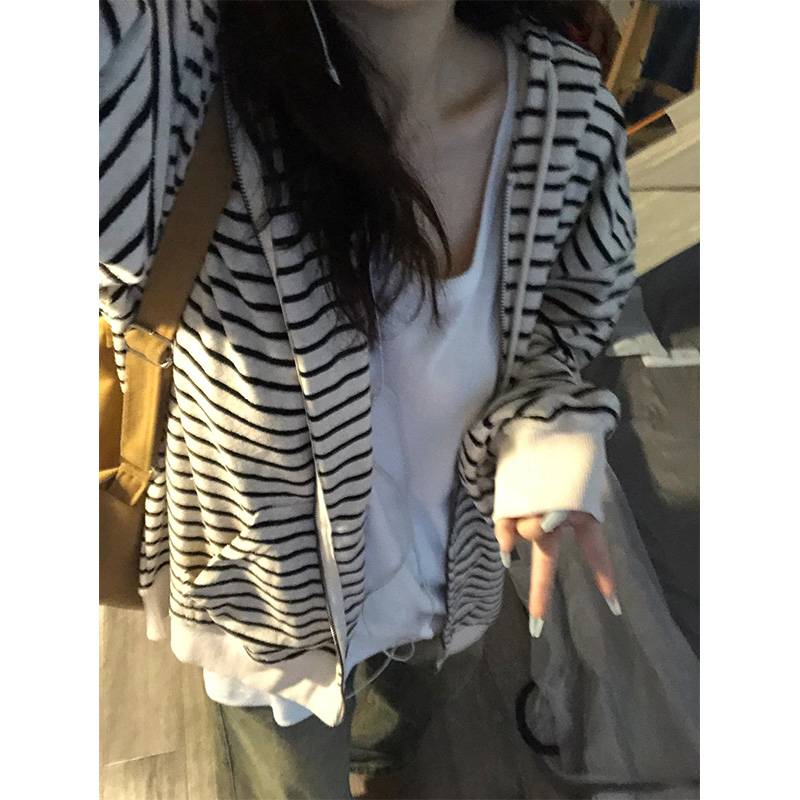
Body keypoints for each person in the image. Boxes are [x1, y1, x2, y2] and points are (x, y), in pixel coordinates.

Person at [100, 1, 636, 796]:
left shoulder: (569, 114)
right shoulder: (172, 84)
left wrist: (541, 424)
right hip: (268, 611)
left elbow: (569, 317)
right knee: (293, 781)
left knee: (396, 728)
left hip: (453, 580)